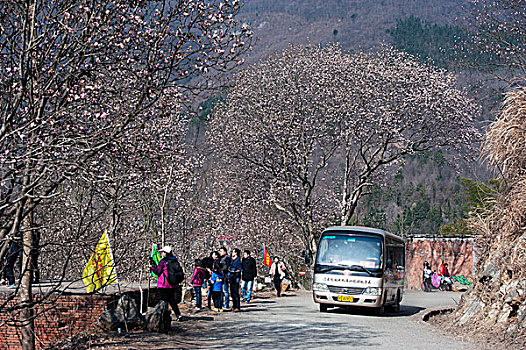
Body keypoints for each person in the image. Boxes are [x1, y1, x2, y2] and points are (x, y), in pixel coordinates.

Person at [150, 245, 183, 321]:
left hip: (164, 285)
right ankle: (178, 315)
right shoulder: (175, 261)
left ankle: (163, 317)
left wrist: (151, 267)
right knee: (172, 300)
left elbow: (158, 272)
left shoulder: (163, 261)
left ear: (165, 253)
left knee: (163, 301)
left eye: (163, 252)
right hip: (172, 284)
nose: (162, 254)